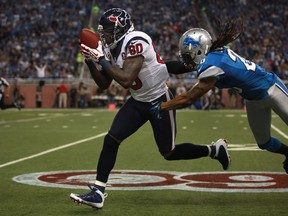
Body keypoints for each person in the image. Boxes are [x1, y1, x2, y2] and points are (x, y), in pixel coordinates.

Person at [70, 8, 230, 209]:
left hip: (158, 101)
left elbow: (127, 79)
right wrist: (90, 61)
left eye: (109, 32)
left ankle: (214, 150)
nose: (105, 37)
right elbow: (104, 83)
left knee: (169, 152)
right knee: (111, 139)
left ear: (121, 29)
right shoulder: (112, 48)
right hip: (138, 101)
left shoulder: (136, 40)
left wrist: (100, 58)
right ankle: (98, 192)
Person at [151, 19, 288, 174]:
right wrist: (158, 65)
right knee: (264, 143)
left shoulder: (211, 65)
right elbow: (183, 67)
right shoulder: (214, 54)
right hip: (253, 100)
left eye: (188, 55)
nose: (187, 59)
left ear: (198, 50)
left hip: (271, 89)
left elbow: (189, 98)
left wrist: (161, 107)